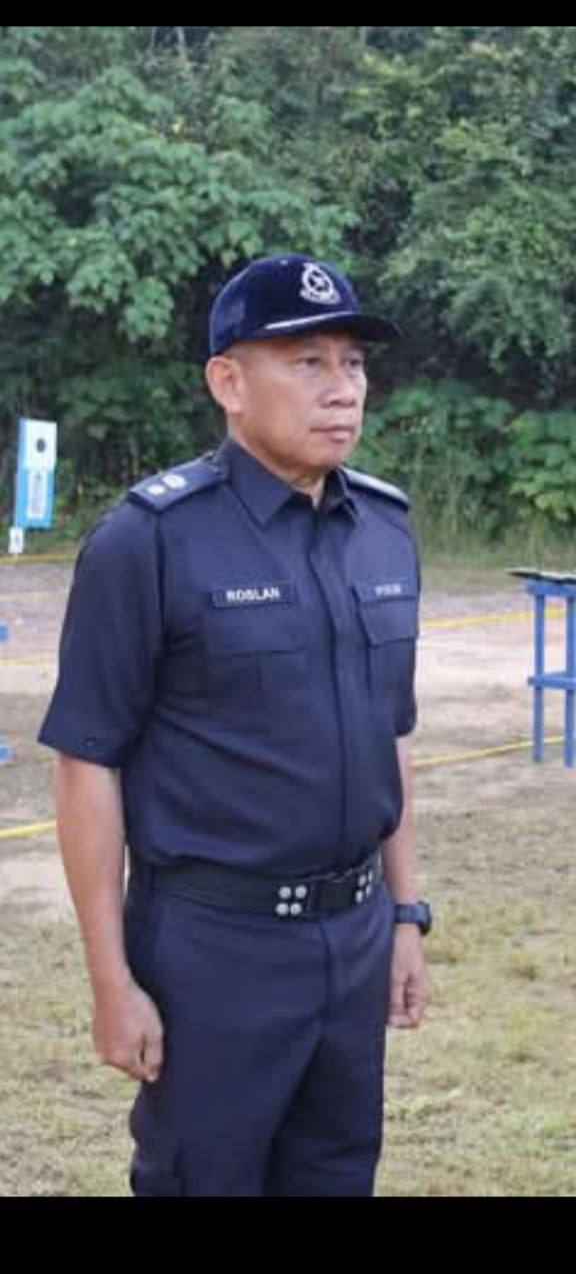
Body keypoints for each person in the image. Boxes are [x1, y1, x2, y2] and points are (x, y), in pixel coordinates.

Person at [38, 252, 431, 1198]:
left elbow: (392, 736)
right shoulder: (149, 541)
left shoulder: (384, 530)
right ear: (228, 382)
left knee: (336, 1175)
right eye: (308, 363)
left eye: (354, 363)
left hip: (354, 938)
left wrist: (404, 915)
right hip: (214, 950)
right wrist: (111, 981)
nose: (343, 389)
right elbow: (87, 764)